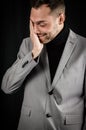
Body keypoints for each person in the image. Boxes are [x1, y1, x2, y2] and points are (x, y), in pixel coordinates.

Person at [1, 0, 86, 130]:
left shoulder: (84, 47)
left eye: (41, 24)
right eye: (32, 23)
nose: (35, 30)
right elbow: (7, 87)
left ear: (61, 18)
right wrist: (33, 53)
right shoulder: (27, 45)